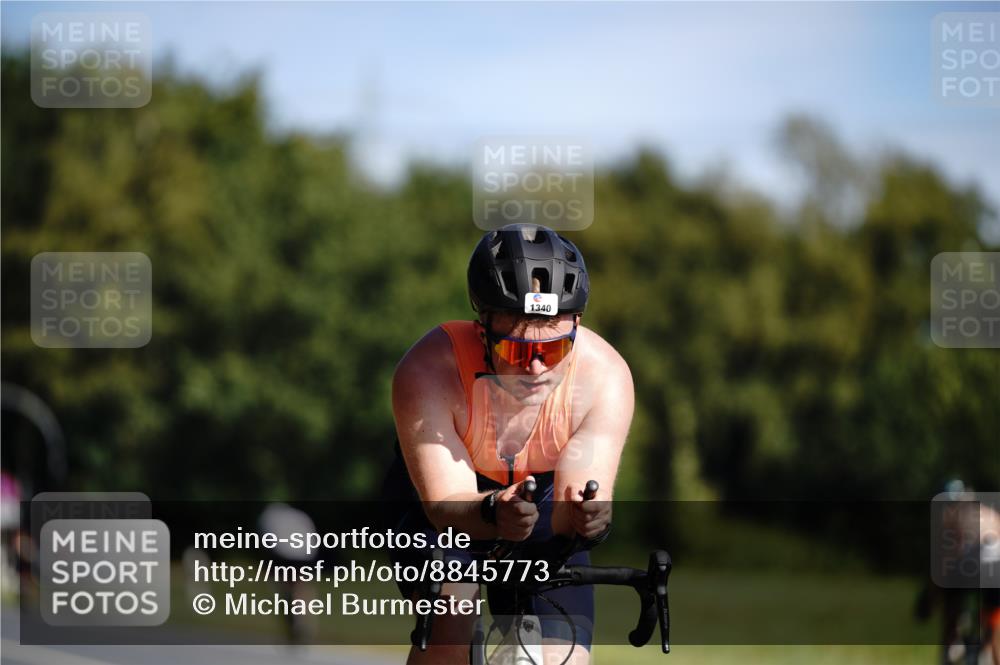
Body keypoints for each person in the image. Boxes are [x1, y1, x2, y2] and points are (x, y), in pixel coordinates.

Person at [384, 223, 634, 664]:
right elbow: (444, 505)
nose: (537, 368)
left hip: (539, 499)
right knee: (453, 620)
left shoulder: (605, 376)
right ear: (483, 333)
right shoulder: (427, 370)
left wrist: (587, 515)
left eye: (555, 350)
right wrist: (492, 511)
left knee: (564, 657)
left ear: (577, 327)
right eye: (519, 352)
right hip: (442, 510)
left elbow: (575, 499)